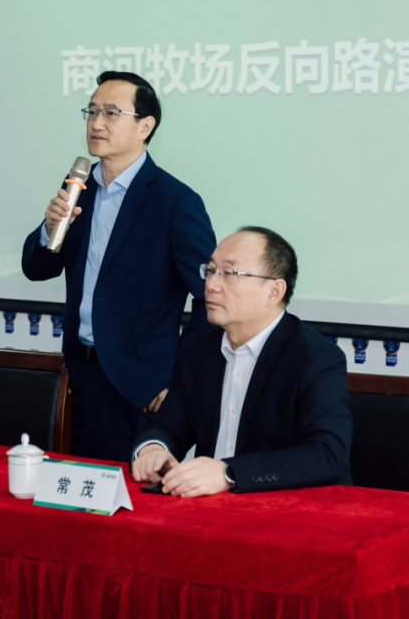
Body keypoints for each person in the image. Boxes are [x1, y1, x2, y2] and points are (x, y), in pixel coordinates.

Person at [22, 71, 216, 462]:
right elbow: (37, 268)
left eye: (111, 113)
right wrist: (49, 229)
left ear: (145, 126)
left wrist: (177, 380)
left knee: (132, 493)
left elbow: (212, 297)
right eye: (92, 111)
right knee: (75, 486)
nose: (97, 123)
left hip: (141, 387)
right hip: (77, 376)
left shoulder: (175, 202)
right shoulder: (78, 189)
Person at [131, 227, 352, 496]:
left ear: (274, 291)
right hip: (210, 506)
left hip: (287, 508)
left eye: (229, 273)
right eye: (210, 270)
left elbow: (327, 454)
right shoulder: (198, 350)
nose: (211, 285)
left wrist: (229, 473)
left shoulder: (315, 357)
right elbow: (168, 425)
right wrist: (153, 449)